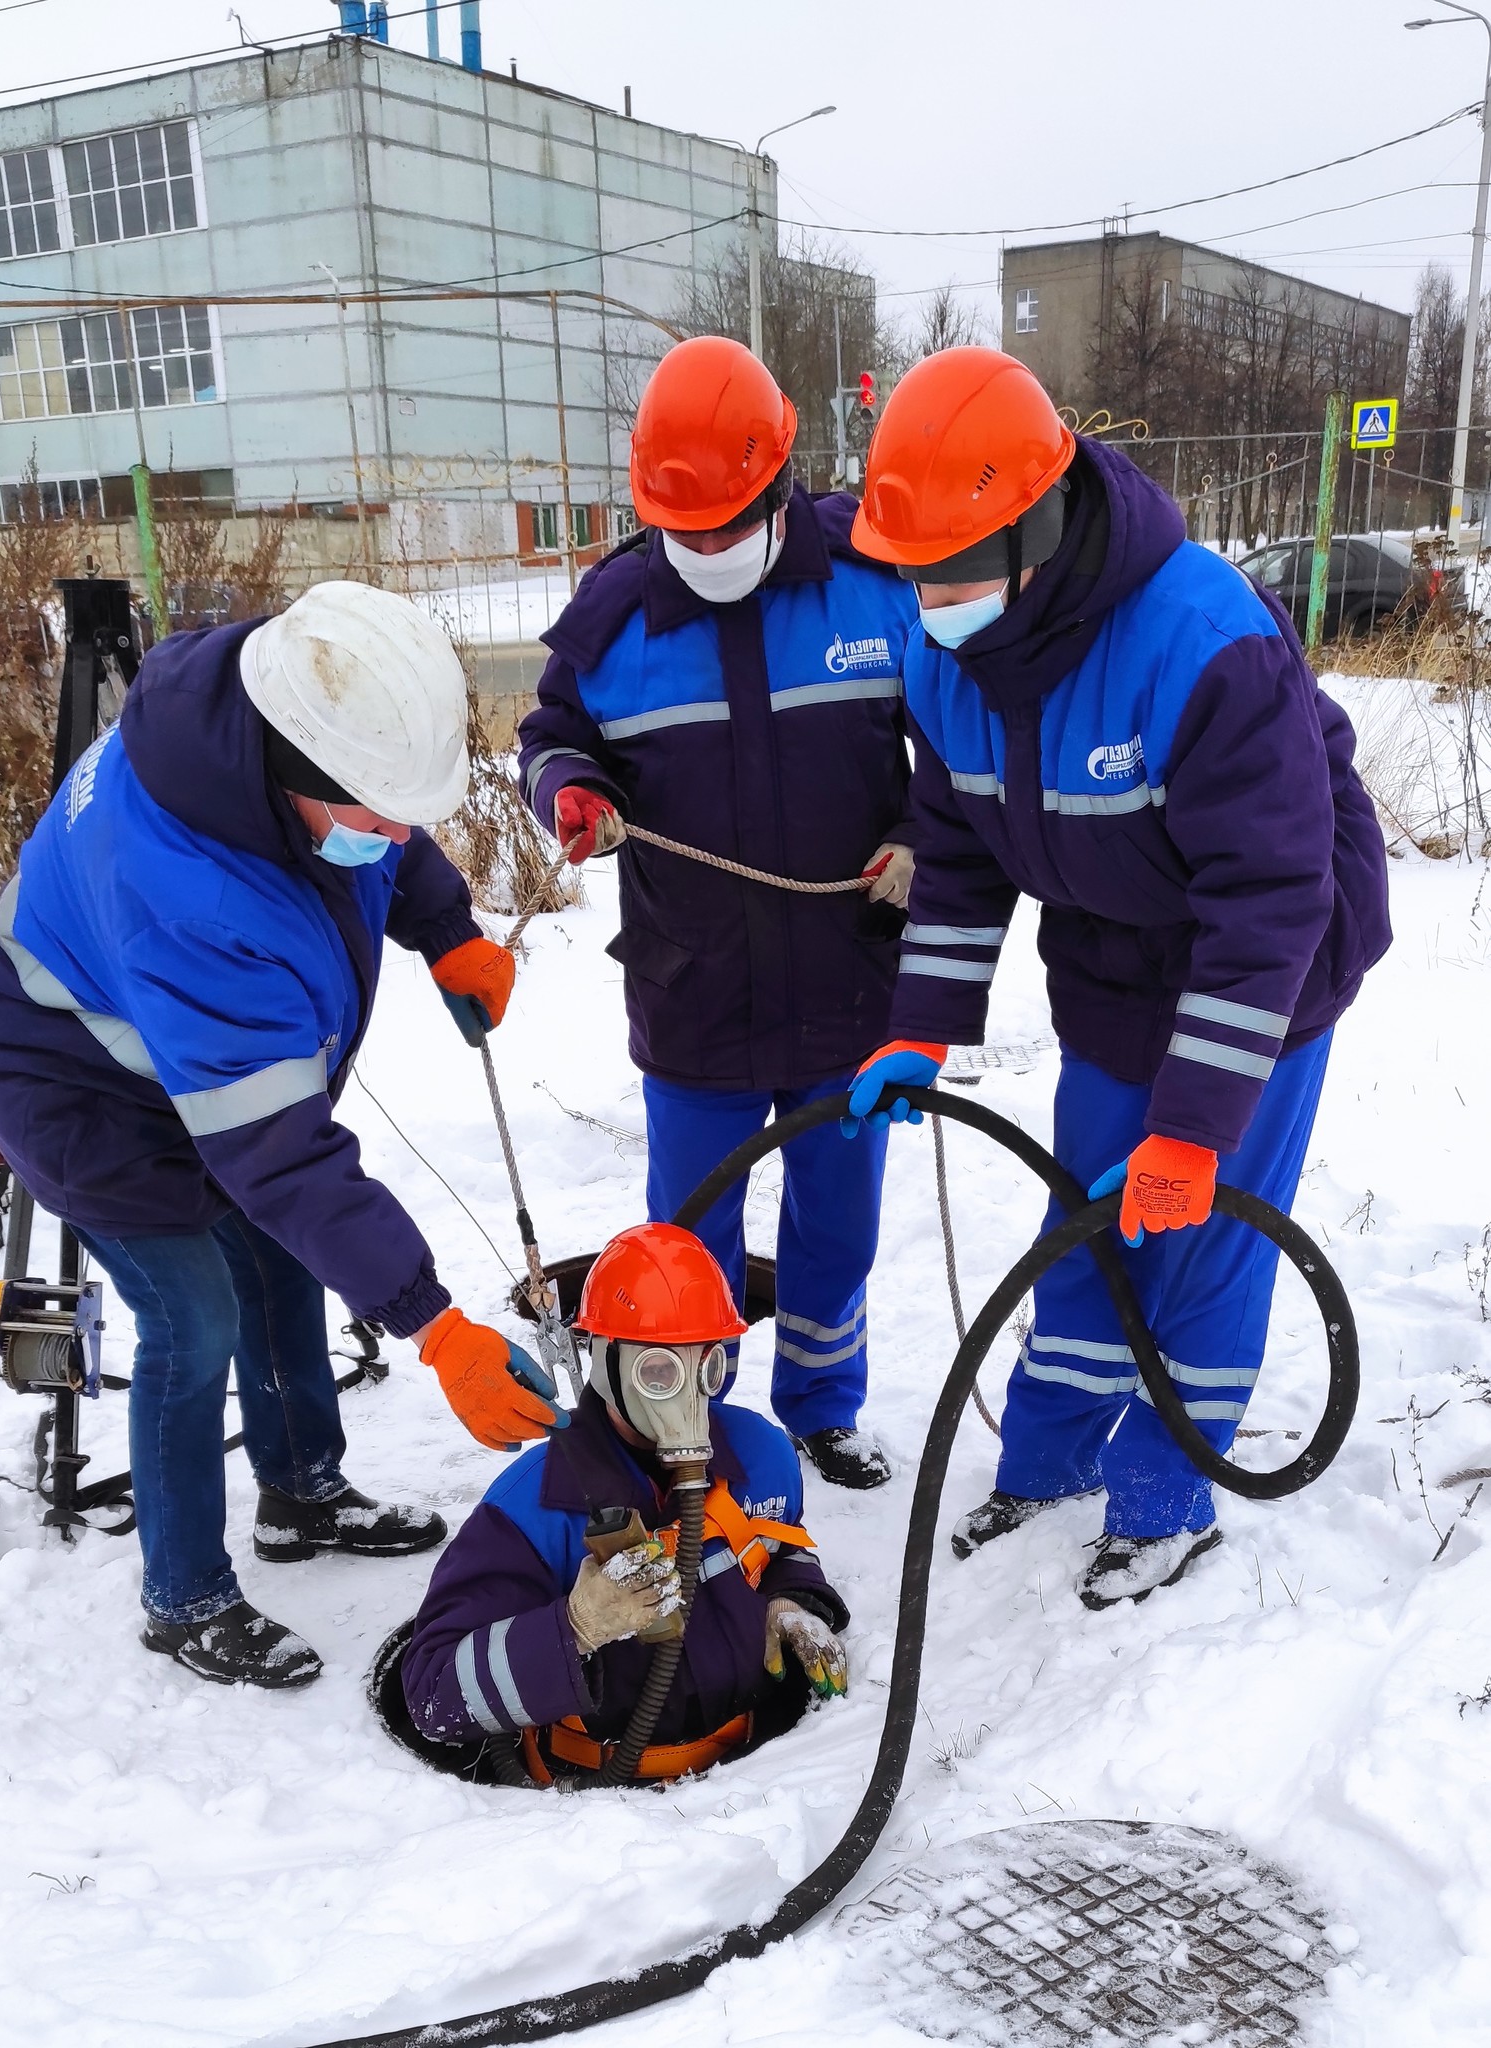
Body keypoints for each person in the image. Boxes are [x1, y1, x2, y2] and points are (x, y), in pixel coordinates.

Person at [843, 348, 1390, 1607]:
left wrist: (1195, 1128)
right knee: (1087, 1217)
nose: (934, 598)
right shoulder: (945, 651)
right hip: (1107, 948)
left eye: (959, 568)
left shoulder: (1204, 644)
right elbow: (963, 846)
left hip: (1273, 956)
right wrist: (921, 1027)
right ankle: (1044, 1463)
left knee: (1189, 1230)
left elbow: (1266, 902)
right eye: (915, 570)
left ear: (1042, 522)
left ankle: (1163, 1499)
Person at [0, 582, 565, 1689]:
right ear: (302, 780)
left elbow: (384, 835)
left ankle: (301, 1490)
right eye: (375, 815)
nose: (394, 834)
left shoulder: (287, 727)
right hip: (69, 1071)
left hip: (162, 1026)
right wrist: (435, 1327)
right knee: (194, 1311)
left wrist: (446, 932)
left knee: (280, 1252)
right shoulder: (195, 894)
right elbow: (281, 1156)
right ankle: (183, 1595)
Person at [517, 335, 920, 1490]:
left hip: (849, 985)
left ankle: (823, 1403)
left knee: (836, 1228)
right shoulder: (614, 617)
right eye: (682, 531)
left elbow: (954, 749)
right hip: (694, 993)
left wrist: (919, 841)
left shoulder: (870, 581)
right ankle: (688, 1421)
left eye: (727, 523)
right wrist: (572, 792)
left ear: (778, 482)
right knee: (689, 1240)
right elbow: (550, 736)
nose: (705, 548)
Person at [401, 1223, 847, 1783]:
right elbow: (433, 1696)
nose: (689, 1395)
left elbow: (785, 1549)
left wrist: (794, 1602)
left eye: (706, 1363)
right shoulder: (533, 1510)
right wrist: (574, 1627)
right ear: (604, 1363)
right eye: (659, 1371)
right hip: (612, 1813)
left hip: (760, 1780)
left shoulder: (762, 1456)